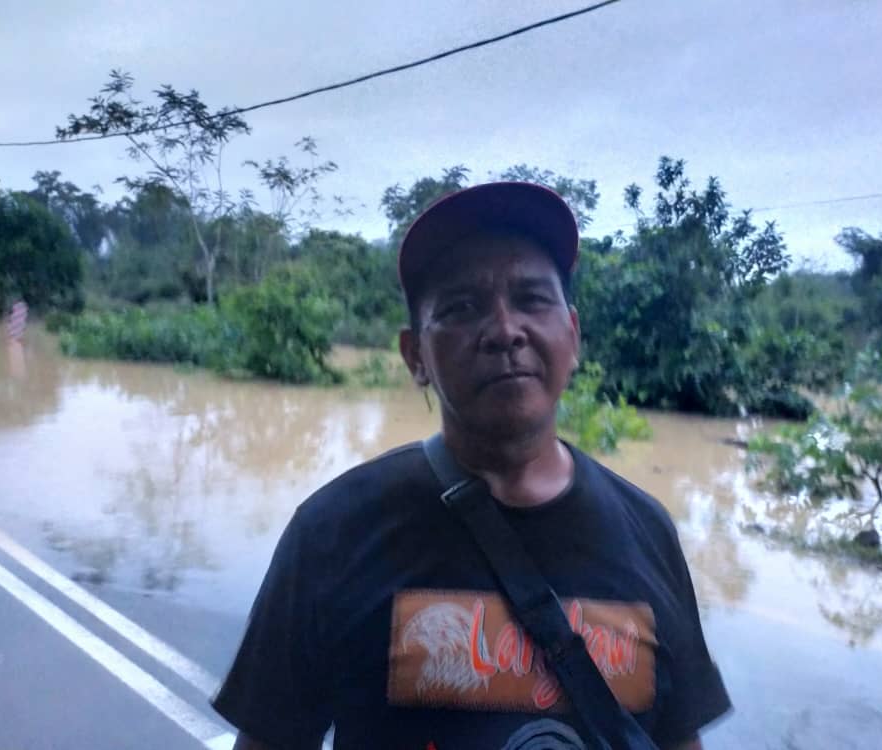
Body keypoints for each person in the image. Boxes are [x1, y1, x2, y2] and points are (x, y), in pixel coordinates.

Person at [213, 182, 731, 750]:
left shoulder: (647, 531)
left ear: (573, 335)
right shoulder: (332, 532)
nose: (505, 330)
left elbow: (680, 739)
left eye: (533, 299)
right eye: (462, 308)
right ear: (416, 357)